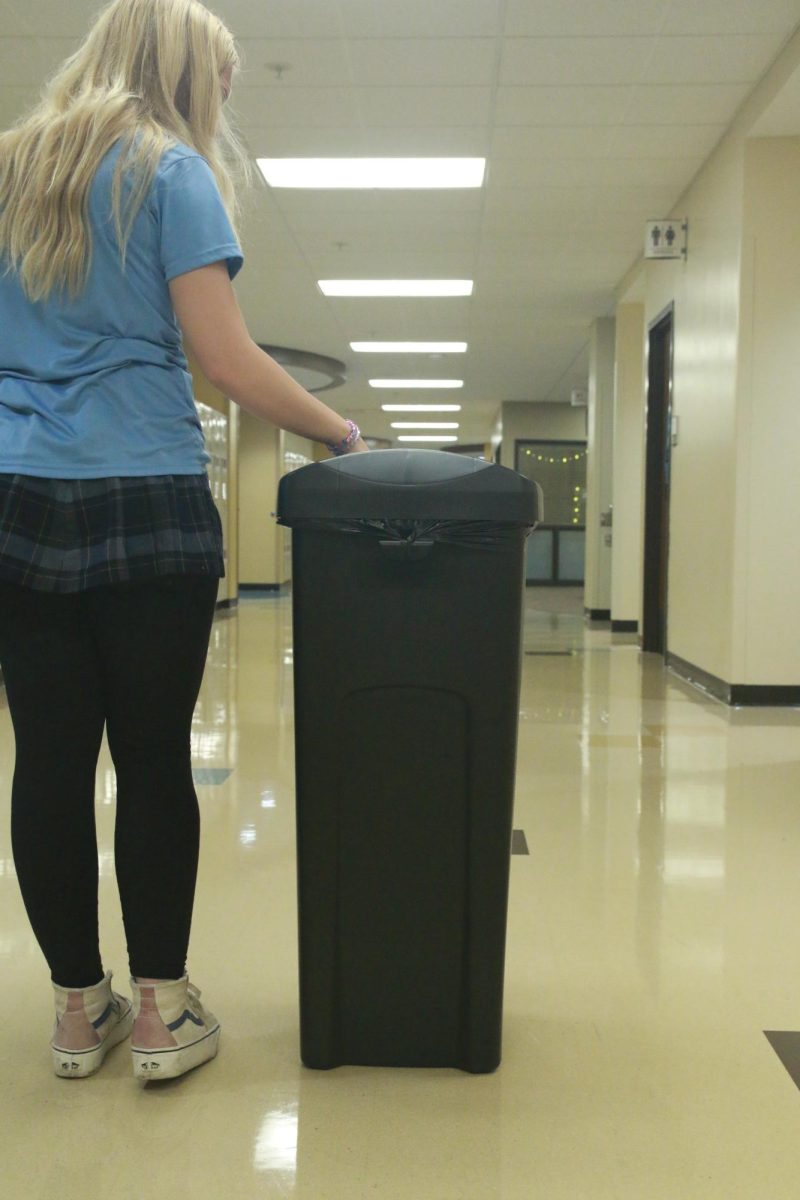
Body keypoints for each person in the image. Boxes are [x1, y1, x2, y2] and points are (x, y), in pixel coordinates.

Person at [0, 0, 367, 1083]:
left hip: (18, 496)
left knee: (49, 765)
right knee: (154, 758)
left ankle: (79, 1012)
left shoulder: (10, 168)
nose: (225, 101)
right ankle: (160, 1014)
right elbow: (223, 360)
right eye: (224, 79)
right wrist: (340, 432)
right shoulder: (169, 172)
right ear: (183, 71)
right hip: (145, 492)